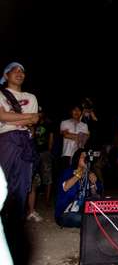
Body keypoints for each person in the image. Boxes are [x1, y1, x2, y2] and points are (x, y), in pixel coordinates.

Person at [0, 62, 39, 263]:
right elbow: (1, 115)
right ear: (6, 74)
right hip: (6, 142)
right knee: (3, 184)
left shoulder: (31, 97)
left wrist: (11, 118)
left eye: (23, 71)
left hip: (25, 142)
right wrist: (23, 118)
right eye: (15, 70)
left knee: (22, 185)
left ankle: (14, 227)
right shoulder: (0, 94)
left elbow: (35, 120)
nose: (19, 73)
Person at [54, 149, 102, 228]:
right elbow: (65, 187)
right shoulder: (68, 172)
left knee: (95, 217)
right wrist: (80, 173)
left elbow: (95, 196)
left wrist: (93, 184)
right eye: (83, 157)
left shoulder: (89, 174)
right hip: (65, 213)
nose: (85, 159)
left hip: (82, 210)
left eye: (86, 157)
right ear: (77, 159)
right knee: (83, 219)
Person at [60, 104, 90, 171]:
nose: (76, 112)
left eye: (79, 110)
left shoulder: (84, 126)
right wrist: (81, 136)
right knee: (66, 176)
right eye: (74, 110)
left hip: (79, 155)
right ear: (71, 111)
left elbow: (85, 140)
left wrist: (69, 134)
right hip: (67, 154)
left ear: (81, 112)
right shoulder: (64, 122)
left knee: (77, 176)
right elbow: (65, 135)